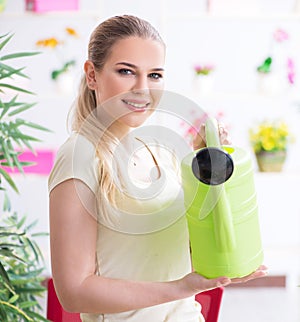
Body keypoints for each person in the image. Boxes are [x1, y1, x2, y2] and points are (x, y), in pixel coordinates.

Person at [48, 14, 267, 322]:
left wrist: (206, 173)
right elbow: (74, 291)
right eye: (126, 71)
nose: (143, 89)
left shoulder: (157, 150)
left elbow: (175, 253)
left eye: (154, 75)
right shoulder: (79, 155)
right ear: (92, 75)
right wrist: (179, 287)